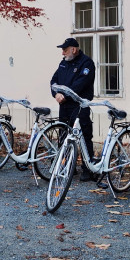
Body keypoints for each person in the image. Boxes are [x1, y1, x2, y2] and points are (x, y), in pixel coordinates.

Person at [50, 38, 96, 182]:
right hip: (64, 106)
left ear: (73, 50)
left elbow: (81, 83)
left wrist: (65, 94)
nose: (62, 53)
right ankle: (67, 165)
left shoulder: (86, 63)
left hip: (79, 105)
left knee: (84, 136)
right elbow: (54, 81)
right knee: (64, 135)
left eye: (65, 49)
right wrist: (56, 93)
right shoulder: (64, 63)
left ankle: (87, 169)